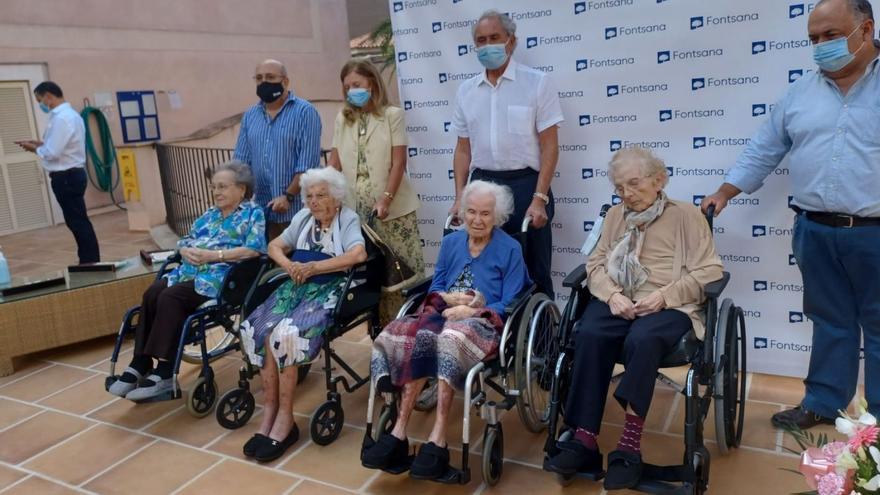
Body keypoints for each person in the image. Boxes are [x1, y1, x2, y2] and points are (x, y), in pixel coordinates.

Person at [701, 0, 880, 429]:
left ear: (866, 29)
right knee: (829, 320)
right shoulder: (801, 91)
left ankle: (876, 421)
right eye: (814, 39)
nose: (820, 47)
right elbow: (765, 146)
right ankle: (823, 402)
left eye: (831, 36)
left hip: (875, 233)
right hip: (815, 230)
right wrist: (726, 191)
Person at [544, 148, 722, 490]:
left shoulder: (686, 214)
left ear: (659, 180)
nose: (627, 194)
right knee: (590, 332)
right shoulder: (614, 216)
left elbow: (711, 269)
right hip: (620, 299)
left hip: (669, 304)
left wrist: (665, 296)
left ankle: (628, 446)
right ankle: (584, 438)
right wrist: (612, 295)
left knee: (643, 339)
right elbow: (595, 265)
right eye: (620, 187)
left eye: (634, 184)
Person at [362, 180, 531, 480]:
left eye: (485, 214)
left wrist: (473, 310)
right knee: (403, 332)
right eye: (471, 212)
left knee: (449, 341)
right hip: (443, 313)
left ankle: (438, 437)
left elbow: (511, 300)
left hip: (482, 323)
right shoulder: (452, 242)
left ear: (498, 217)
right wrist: (448, 299)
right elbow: (438, 285)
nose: (477, 220)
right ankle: (399, 430)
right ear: (462, 213)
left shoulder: (510, 249)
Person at [238, 167, 367, 463]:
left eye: (322, 195)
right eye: (309, 196)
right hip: (296, 285)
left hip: (329, 289)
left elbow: (357, 255)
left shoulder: (347, 218)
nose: (314, 201)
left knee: (287, 335)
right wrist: (288, 264)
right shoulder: (303, 219)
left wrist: (315, 267)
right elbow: (274, 246)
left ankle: (286, 419)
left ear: (336, 197)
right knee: (259, 328)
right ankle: (268, 412)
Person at [108, 161, 265, 400]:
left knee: (171, 298)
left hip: (221, 277)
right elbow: (186, 240)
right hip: (188, 272)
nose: (216, 192)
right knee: (153, 293)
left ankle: (165, 371)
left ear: (242, 189)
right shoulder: (209, 214)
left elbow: (255, 250)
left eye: (222, 187)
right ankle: (140, 362)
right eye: (214, 187)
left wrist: (214, 255)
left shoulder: (253, 213)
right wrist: (184, 251)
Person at [449, 9, 564, 299]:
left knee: (533, 266)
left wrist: (540, 199)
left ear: (511, 41)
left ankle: (542, 338)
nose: (488, 45)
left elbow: (550, 144)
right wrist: (459, 197)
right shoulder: (466, 91)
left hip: (526, 184)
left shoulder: (537, 82)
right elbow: (463, 149)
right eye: (481, 40)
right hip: (482, 184)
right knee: (481, 265)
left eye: (494, 38)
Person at [328, 59, 424, 326]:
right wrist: (325, 195)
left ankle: (405, 328)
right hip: (356, 212)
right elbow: (334, 164)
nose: (351, 91)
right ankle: (380, 332)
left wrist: (386, 199)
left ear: (371, 82)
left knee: (400, 274)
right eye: (347, 87)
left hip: (393, 212)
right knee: (372, 274)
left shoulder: (392, 115)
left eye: (356, 84)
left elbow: (398, 163)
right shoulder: (342, 119)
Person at [234, 59, 322, 240]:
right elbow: (241, 161)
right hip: (263, 210)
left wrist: (288, 196)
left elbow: (307, 165)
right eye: (259, 78)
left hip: (297, 209)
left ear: (285, 81)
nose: (264, 82)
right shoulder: (250, 115)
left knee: (297, 263)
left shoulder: (305, 112)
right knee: (269, 263)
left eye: (270, 77)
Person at [16, 81, 100, 264]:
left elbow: (53, 153)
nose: (40, 105)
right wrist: (39, 143)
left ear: (48, 96)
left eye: (40, 100)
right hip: (71, 174)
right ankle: (88, 259)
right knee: (77, 220)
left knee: (77, 221)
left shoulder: (62, 118)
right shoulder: (71, 116)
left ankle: (89, 261)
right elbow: (61, 146)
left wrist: (34, 149)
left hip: (66, 177)